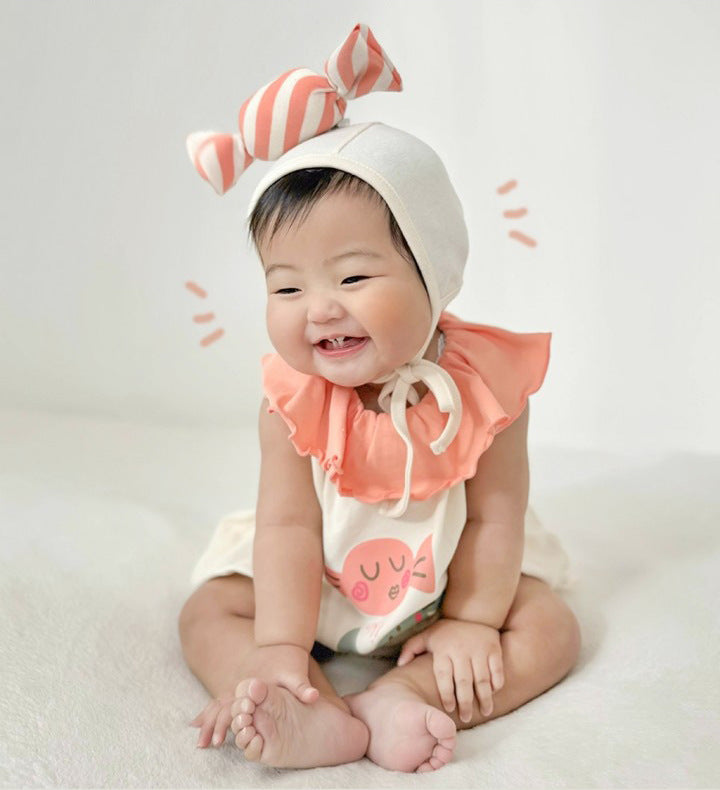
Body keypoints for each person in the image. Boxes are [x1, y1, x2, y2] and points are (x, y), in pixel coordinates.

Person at [178, 23, 580, 773]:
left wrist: (472, 620)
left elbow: (494, 517)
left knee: (551, 627)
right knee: (208, 611)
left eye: (353, 277)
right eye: (287, 288)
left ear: (434, 272)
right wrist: (279, 643)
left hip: (451, 580)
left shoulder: (488, 388)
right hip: (313, 581)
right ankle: (302, 699)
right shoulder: (292, 401)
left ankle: (406, 693)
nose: (319, 308)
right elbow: (288, 526)